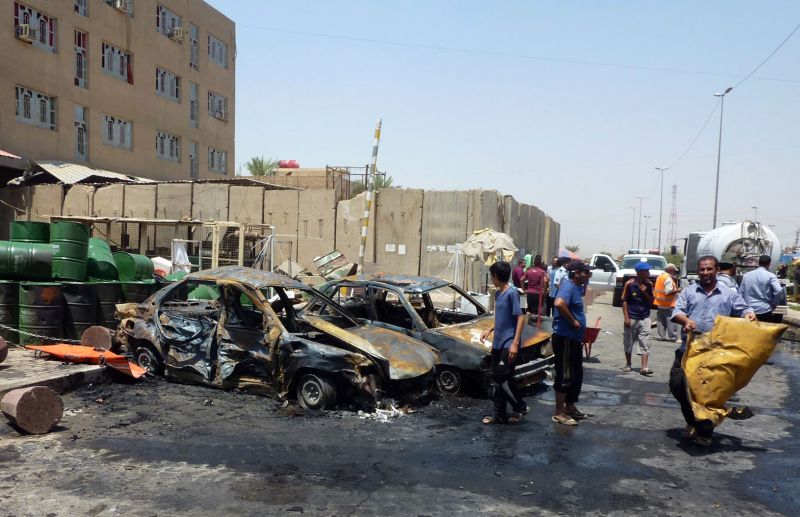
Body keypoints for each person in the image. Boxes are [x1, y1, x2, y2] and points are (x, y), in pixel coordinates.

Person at [670, 255, 755, 446]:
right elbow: (677, 312)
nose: (705, 273)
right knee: (678, 385)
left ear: (716, 270)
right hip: (688, 350)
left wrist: (749, 314)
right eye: (702, 269)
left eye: (709, 269)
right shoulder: (689, 291)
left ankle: (705, 432)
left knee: (708, 394)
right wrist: (686, 320)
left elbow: (744, 309)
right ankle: (694, 420)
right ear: (698, 271)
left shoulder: (729, 293)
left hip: (715, 353)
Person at [480, 261, 527, 425]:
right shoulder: (498, 294)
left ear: (496, 276)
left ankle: (520, 405)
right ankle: (499, 415)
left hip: (509, 342)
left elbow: (520, 318)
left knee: (500, 375)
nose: (491, 279)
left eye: (492, 275)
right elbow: (500, 317)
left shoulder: (512, 293)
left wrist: (515, 343)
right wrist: (490, 330)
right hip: (498, 343)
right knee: (498, 380)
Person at [551, 259, 592, 426]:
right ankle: (559, 412)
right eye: (586, 272)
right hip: (565, 337)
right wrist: (574, 321)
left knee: (576, 373)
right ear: (576, 273)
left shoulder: (576, 287)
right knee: (565, 374)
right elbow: (559, 303)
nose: (589, 274)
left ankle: (570, 407)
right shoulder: (568, 286)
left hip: (573, 338)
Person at [621, 262, 655, 375]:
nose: (649, 273)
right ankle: (628, 364)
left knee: (645, 342)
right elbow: (624, 300)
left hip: (645, 318)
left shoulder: (649, 284)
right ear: (640, 272)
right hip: (632, 317)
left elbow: (651, 301)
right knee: (629, 341)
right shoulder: (629, 284)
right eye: (646, 271)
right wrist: (626, 317)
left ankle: (644, 367)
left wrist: (645, 292)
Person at [739, 255, 784, 323]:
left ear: (758, 263)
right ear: (769, 264)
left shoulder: (746, 275)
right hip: (764, 310)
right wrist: (774, 304)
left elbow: (740, 293)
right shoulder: (771, 276)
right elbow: (778, 290)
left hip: (748, 311)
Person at [654, 263, 681, 342]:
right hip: (668, 304)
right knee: (671, 321)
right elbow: (668, 292)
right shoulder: (668, 278)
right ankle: (673, 338)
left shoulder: (660, 277)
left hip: (659, 302)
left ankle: (660, 336)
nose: (674, 272)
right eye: (673, 270)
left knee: (661, 321)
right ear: (670, 270)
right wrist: (678, 290)